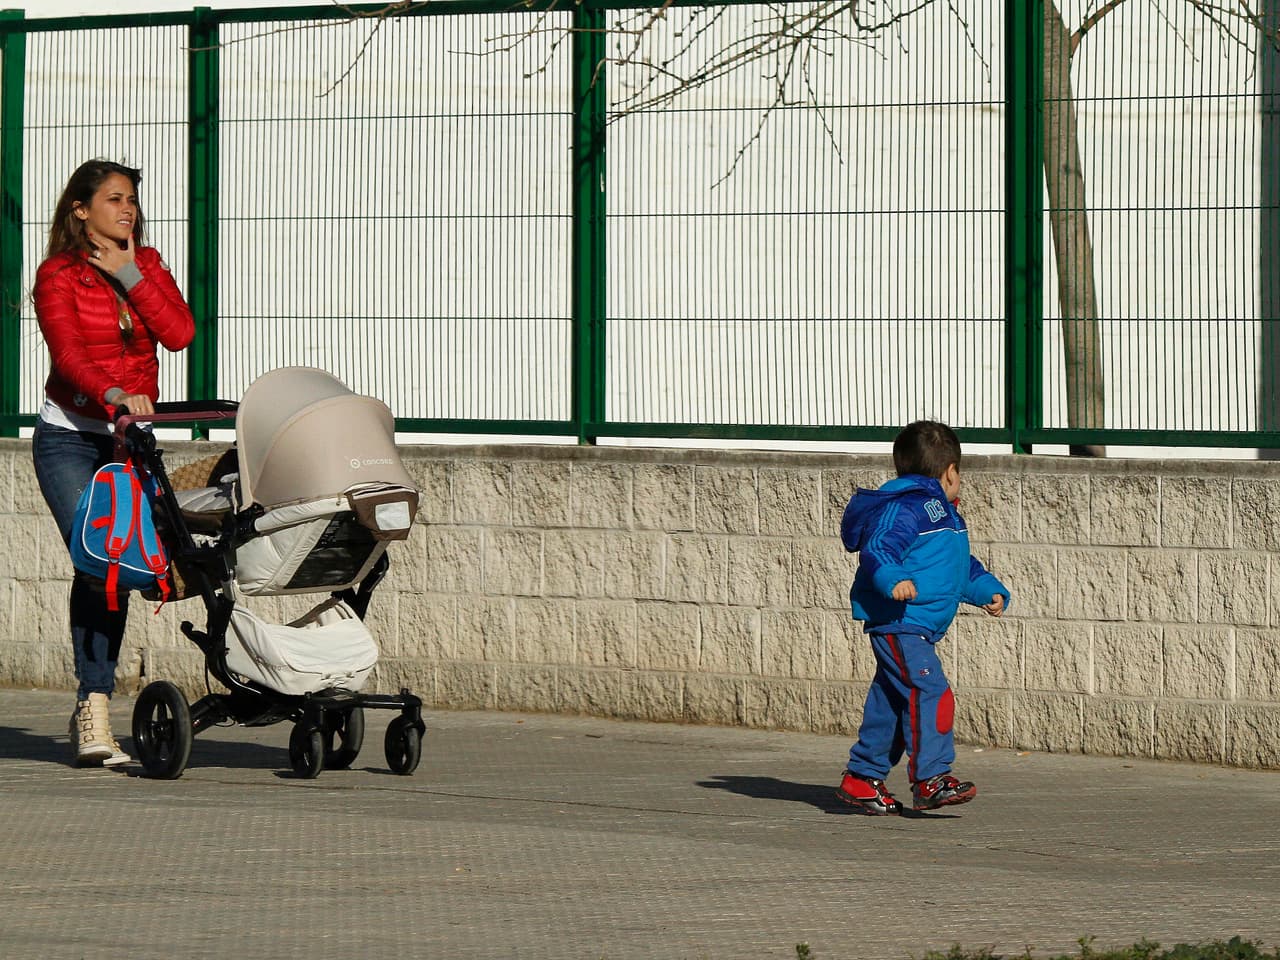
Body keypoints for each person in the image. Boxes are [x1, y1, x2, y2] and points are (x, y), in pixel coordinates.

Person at [31, 159, 195, 766]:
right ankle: (93, 707)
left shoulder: (145, 264)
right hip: (71, 437)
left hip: (132, 443)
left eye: (131, 200)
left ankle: (97, 698)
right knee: (99, 560)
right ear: (81, 210)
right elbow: (69, 354)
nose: (127, 209)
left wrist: (131, 274)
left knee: (123, 566)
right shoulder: (58, 274)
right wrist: (114, 393)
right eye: (114, 199)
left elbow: (179, 332)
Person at [835, 420, 1011, 814]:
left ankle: (861, 778)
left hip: (915, 625)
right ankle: (931, 778)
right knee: (931, 691)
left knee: (892, 702)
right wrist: (893, 578)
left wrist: (988, 590)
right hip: (901, 622)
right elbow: (880, 547)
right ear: (951, 472)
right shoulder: (906, 507)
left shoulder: (946, 516)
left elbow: (958, 566)